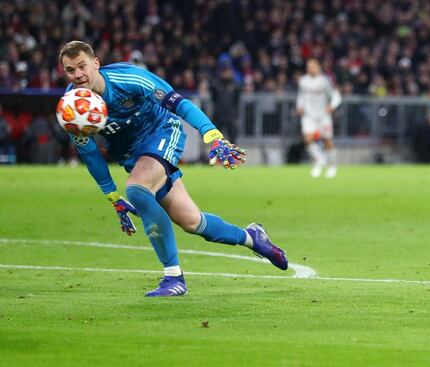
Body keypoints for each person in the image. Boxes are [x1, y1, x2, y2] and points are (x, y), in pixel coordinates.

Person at [59, 40, 288, 297]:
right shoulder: (70, 108)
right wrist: (112, 197)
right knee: (192, 222)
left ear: (96, 63)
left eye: (82, 66)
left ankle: (173, 278)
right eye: (70, 70)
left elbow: (179, 103)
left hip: (163, 132)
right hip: (135, 156)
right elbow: (89, 154)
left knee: (136, 188)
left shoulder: (130, 79)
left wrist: (211, 134)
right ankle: (253, 237)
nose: (78, 74)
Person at [296, 58, 341, 178]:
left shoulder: (324, 81)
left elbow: (336, 95)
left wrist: (332, 106)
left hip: (322, 115)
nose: (310, 68)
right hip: (308, 115)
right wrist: (299, 106)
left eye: (313, 66)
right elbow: (301, 96)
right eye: (308, 66)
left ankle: (332, 166)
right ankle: (319, 160)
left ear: (318, 67)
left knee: (327, 140)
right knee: (308, 139)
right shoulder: (303, 81)